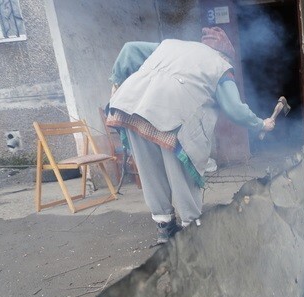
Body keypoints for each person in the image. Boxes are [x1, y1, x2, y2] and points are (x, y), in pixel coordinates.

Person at [107, 27, 275, 245]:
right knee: (182, 173)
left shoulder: (171, 45)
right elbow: (234, 108)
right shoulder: (221, 66)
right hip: (170, 116)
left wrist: (116, 82)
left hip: (130, 108)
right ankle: (191, 231)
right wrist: (261, 123)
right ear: (225, 54)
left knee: (151, 171)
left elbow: (129, 50)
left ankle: (165, 229)